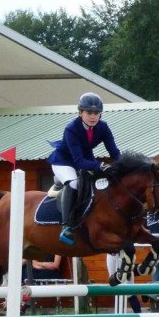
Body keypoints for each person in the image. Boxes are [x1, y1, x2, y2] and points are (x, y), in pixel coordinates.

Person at [47, 92, 121, 245]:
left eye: (96, 113)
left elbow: (114, 152)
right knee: (74, 183)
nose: (93, 116)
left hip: (85, 158)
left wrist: (123, 166)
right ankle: (66, 226)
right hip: (64, 161)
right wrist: (100, 165)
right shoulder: (71, 129)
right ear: (80, 112)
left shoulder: (103, 127)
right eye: (89, 113)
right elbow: (79, 161)